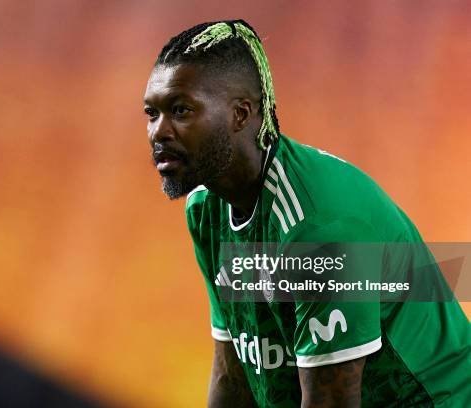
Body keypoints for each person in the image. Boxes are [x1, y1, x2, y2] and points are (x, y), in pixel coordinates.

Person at [143, 19, 470, 407]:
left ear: (241, 114)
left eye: (180, 110)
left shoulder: (317, 229)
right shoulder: (206, 210)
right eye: (152, 113)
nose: (158, 132)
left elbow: (330, 402)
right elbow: (234, 374)